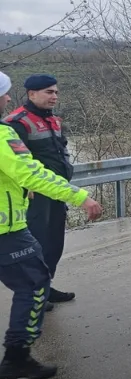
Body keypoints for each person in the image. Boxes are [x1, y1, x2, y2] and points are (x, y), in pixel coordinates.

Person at [0, 70, 103, 379]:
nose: (7, 98)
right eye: (3, 93)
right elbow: (32, 173)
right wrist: (81, 197)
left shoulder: (52, 120)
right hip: (8, 228)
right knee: (33, 283)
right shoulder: (8, 130)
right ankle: (17, 356)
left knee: (47, 255)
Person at [2, 74, 76, 306]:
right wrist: (27, 187)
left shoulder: (54, 120)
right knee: (37, 244)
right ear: (31, 94)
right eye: (48, 92)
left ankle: (46, 286)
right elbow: (17, 163)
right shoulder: (17, 122)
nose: (54, 96)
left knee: (54, 243)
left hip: (56, 191)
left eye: (55, 92)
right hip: (35, 194)